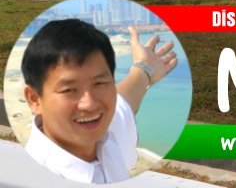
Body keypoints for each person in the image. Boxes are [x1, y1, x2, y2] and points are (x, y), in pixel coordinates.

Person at [22, 19, 178, 183]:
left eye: (99, 83)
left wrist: (145, 68)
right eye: (69, 90)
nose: (90, 104)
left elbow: (124, 101)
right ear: (34, 99)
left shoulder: (106, 133)